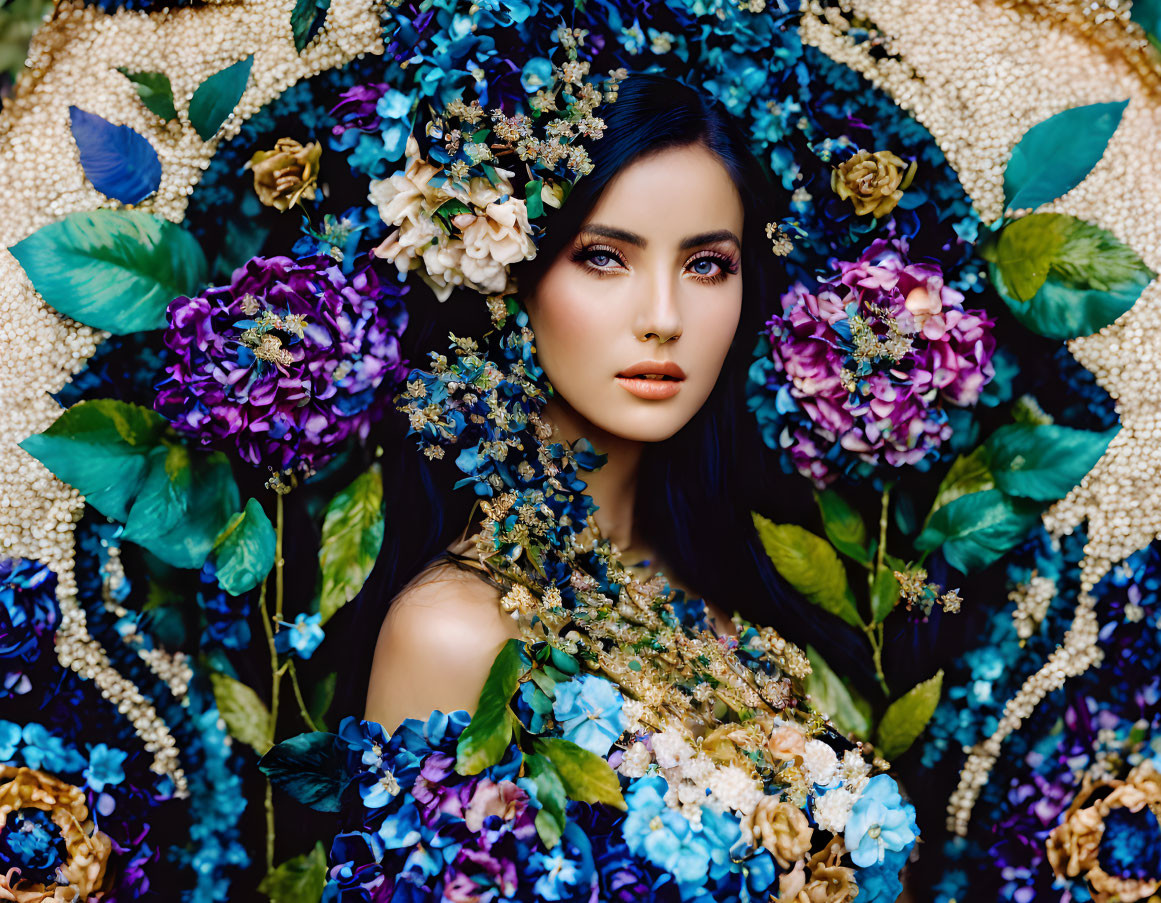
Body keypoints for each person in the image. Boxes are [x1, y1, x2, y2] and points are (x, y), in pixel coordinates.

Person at [359, 73, 859, 732]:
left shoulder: (732, 581)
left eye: (705, 265)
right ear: (509, 274)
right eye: (602, 257)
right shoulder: (454, 632)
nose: (663, 318)